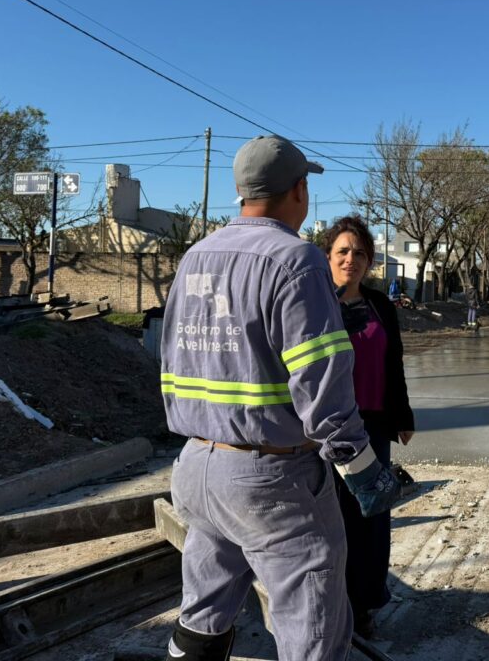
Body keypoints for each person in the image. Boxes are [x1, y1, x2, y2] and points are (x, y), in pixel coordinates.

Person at [161, 135, 400, 661]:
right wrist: (363, 471)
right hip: (272, 480)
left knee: (203, 615)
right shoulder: (296, 260)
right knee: (314, 630)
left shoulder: (195, 257)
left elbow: (172, 359)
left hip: (197, 467)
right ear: (298, 190)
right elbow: (322, 384)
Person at [323, 215, 416, 638]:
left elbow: (393, 362)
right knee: (330, 520)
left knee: (371, 518)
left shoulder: (380, 304)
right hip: (327, 429)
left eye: (360, 253)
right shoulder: (316, 302)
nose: (351, 259)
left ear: (370, 260)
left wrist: (403, 416)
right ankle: (330, 603)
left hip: (373, 428)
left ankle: (363, 605)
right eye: (343, 251)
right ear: (328, 257)